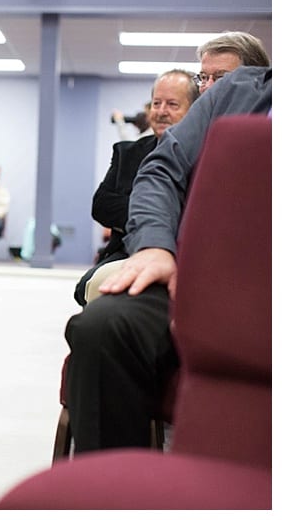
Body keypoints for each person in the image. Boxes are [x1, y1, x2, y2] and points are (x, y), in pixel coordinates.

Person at [64, 32, 270, 454]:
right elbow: (157, 173)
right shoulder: (240, 91)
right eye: (203, 78)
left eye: (171, 103)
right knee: (101, 325)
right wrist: (157, 244)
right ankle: (114, 488)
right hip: (192, 267)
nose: (206, 87)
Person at [73, 69, 199, 305]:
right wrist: (159, 210)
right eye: (156, 103)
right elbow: (101, 206)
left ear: (194, 110)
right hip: (125, 250)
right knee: (86, 287)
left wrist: (134, 206)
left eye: (172, 104)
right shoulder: (127, 152)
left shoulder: (202, 156)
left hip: (181, 254)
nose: (161, 112)